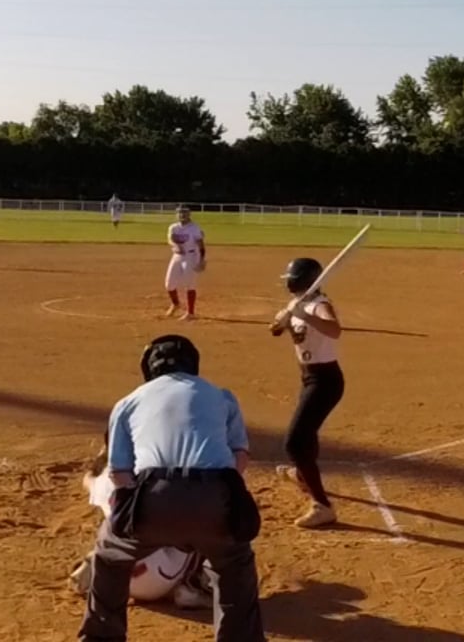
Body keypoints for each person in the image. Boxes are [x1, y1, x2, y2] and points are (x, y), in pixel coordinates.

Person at [80, 335, 265, 642]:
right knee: (234, 563)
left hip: (154, 494)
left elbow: (119, 473)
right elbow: (240, 457)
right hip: (215, 497)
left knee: (110, 555)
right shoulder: (222, 396)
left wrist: (135, 511)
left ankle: (101, 638)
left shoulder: (128, 402)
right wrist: (218, 494)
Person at [69, 437, 215, 610]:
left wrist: (102, 458)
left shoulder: (104, 479)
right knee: (205, 517)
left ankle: (97, 562)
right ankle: (193, 585)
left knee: (112, 525)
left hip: (120, 576)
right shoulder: (164, 474)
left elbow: (87, 480)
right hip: (158, 575)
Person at [268, 257, 344, 529]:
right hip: (309, 377)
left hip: (326, 381)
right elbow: (277, 331)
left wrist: (303, 314)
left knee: (295, 442)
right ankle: (302, 474)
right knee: (307, 435)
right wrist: (282, 322)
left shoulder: (319, 304)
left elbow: (334, 330)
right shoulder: (297, 303)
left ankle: (323, 506)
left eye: (291, 278)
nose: (288, 282)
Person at [165, 207, 207, 321]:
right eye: (179, 213)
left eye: (184, 213)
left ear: (189, 214)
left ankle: (190, 313)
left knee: (190, 284)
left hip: (191, 256)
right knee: (169, 284)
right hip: (177, 256)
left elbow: (201, 244)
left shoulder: (194, 228)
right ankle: (176, 304)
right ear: (176, 215)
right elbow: (170, 239)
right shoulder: (173, 227)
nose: (182, 215)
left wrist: (202, 260)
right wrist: (176, 246)